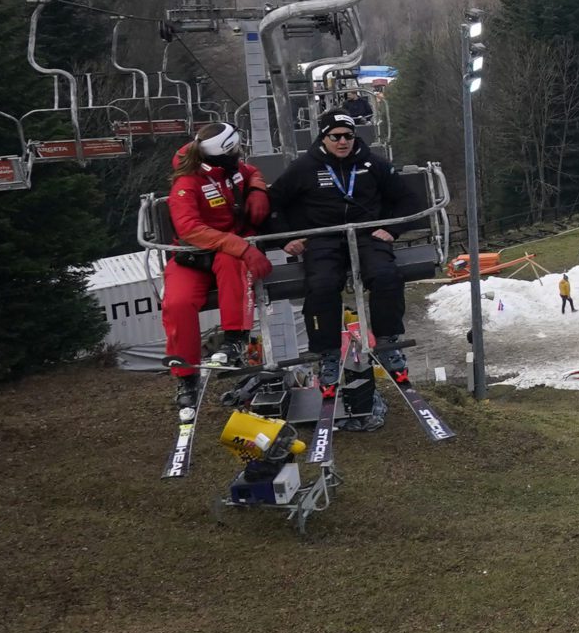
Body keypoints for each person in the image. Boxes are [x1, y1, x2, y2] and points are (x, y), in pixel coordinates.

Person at [267, 111, 412, 390]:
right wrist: (283, 239)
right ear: (324, 137)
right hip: (324, 238)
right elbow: (273, 203)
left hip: (366, 234)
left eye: (348, 136)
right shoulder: (305, 167)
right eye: (336, 136)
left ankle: (387, 341)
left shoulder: (372, 164)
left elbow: (406, 198)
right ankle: (328, 353)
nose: (343, 142)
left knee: (385, 276)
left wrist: (391, 230)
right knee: (321, 285)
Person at [160, 122, 273, 410]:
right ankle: (186, 376)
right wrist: (241, 246)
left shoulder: (232, 170)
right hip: (194, 255)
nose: (239, 152)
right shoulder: (187, 183)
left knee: (230, 261)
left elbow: (252, 172)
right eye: (234, 148)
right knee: (178, 304)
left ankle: (235, 338)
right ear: (221, 152)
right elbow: (189, 229)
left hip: (228, 252)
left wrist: (257, 190)